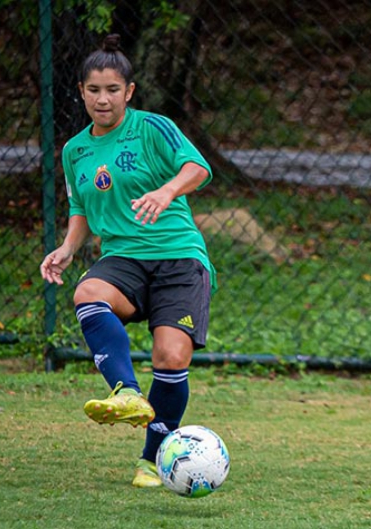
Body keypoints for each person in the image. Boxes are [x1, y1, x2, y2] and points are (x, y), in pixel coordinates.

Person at [40, 34, 216, 488]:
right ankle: (127, 393)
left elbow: (198, 168)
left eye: (113, 90)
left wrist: (165, 190)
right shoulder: (75, 149)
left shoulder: (152, 128)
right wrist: (67, 248)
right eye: (94, 90)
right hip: (124, 257)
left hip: (178, 257)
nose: (103, 99)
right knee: (88, 292)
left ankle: (152, 459)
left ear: (129, 92)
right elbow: (81, 207)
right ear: (80, 91)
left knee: (171, 356)